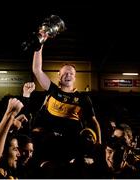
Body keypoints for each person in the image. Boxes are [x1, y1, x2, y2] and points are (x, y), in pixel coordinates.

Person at [32, 31, 101, 163]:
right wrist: (39, 45)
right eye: (65, 73)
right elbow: (37, 70)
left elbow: (94, 122)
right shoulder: (52, 90)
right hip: (49, 144)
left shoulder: (83, 98)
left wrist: (98, 143)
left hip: (71, 147)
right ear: (59, 75)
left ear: (75, 77)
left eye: (71, 73)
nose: (68, 75)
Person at [0, 98, 28, 179]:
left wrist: (10, 125)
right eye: (15, 149)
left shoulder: (10, 172)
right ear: (1, 152)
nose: (19, 154)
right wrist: (10, 114)